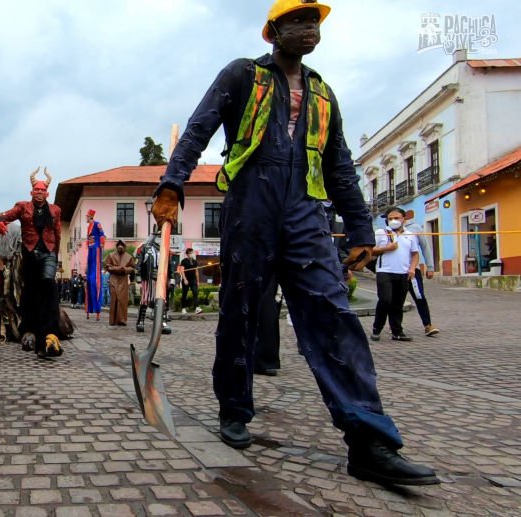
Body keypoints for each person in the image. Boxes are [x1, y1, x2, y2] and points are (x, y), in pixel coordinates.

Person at [150, 0, 438, 486]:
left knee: (334, 316)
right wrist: (173, 183)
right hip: (252, 203)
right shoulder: (242, 75)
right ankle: (235, 408)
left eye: (315, 22)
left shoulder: (324, 93)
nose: (309, 30)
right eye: (298, 22)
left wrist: (361, 230)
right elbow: (198, 129)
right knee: (240, 309)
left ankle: (368, 441)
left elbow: (340, 163)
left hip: (307, 211)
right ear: (272, 32)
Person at [0, 167, 63, 358]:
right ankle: (29, 329)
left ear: (47, 193)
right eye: (36, 190)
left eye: (42, 190)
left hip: (48, 252)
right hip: (29, 253)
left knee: (48, 283)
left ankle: (50, 332)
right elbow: (4, 216)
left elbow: (57, 233)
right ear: (31, 192)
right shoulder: (23, 207)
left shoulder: (55, 210)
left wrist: (56, 254)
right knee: (30, 290)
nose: (39, 193)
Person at [371, 207, 420, 342]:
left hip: (403, 273)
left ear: (403, 219)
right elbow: (371, 250)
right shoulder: (381, 232)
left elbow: (415, 254)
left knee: (398, 303)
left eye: (397, 218)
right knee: (385, 300)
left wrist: (412, 268)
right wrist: (387, 248)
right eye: (390, 218)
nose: (393, 221)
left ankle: (397, 332)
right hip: (384, 271)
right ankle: (377, 328)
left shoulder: (410, 235)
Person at [404, 210, 439, 336]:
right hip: (395, 271)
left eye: (394, 217)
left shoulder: (415, 228)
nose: (391, 220)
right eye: (389, 218)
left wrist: (430, 267)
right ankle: (395, 326)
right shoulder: (386, 231)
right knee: (395, 300)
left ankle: (428, 325)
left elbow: (425, 247)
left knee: (420, 297)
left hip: (413, 270)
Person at [134, 233, 174, 334]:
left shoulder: (166, 250)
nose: (160, 239)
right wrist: (138, 276)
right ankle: (141, 321)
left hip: (161, 279)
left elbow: (170, 266)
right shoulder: (145, 248)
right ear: (154, 237)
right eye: (158, 236)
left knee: (162, 300)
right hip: (148, 277)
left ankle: (162, 323)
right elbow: (138, 262)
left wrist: (172, 278)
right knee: (145, 299)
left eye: (162, 237)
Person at [103, 240, 135, 326]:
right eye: (119, 245)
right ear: (117, 247)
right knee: (114, 299)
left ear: (124, 247)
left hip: (123, 280)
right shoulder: (111, 255)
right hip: (114, 279)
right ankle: (113, 320)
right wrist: (117, 269)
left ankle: (122, 320)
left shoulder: (129, 257)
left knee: (122, 300)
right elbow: (107, 266)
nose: (120, 247)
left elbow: (132, 268)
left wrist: (124, 269)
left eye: (122, 245)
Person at [84, 209, 105, 320]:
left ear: (90, 217)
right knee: (89, 280)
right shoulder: (88, 227)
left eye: (87, 216)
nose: (86, 218)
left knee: (95, 280)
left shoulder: (97, 224)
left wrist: (101, 246)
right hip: (90, 250)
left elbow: (102, 235)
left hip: (96, 249)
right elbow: (88, 240)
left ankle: (97, 309)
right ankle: (89, 309)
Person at [180, 248, 202, 315]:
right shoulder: (184, 261)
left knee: (195, 293)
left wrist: (198, 281)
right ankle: (183, 308)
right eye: (190, 253)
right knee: (185, 294)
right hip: (186, 279)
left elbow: (196, 271)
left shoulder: (195, 261)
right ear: (187, 254)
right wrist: (185, 279)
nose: (191, 254)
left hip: (193, 280)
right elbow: (182, 271)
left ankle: (197, 308)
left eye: (192, 252)